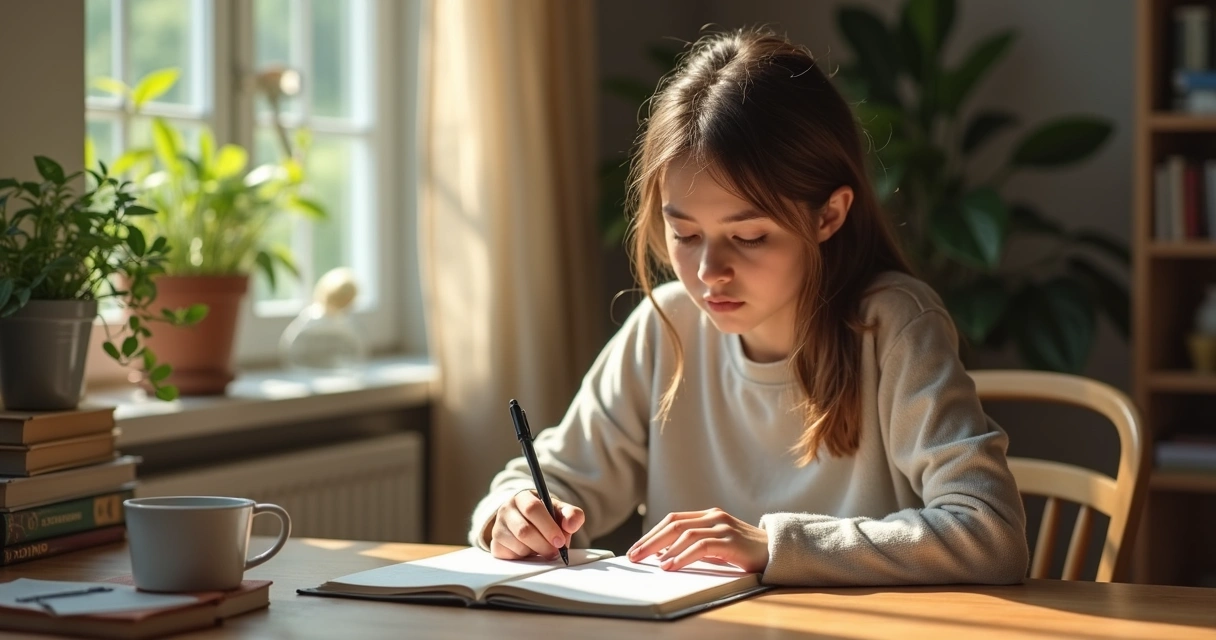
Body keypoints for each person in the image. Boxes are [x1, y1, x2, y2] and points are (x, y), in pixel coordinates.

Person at [468, 27, 1029, 586]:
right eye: (685, 234)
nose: (709, 272)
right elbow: (551, 479)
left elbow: (990, 532)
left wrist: (774, 546)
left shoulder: (894, 326)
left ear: (828, 215)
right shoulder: (668, 328)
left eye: (751, 237)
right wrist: (516, 513)